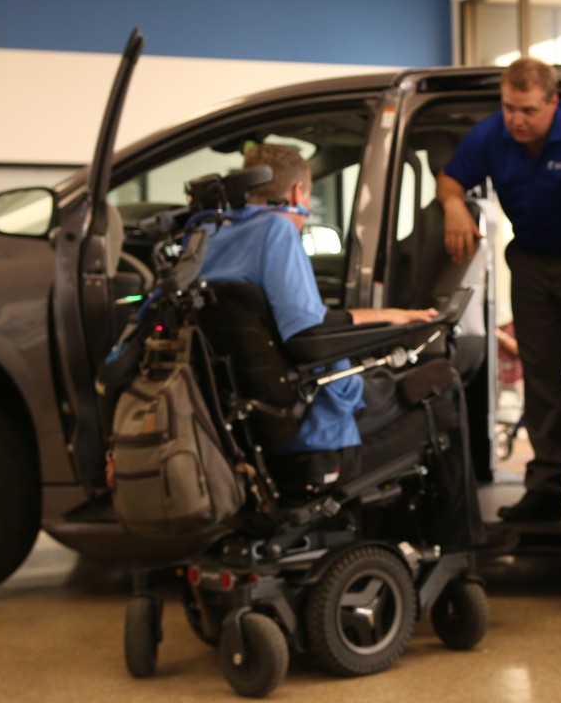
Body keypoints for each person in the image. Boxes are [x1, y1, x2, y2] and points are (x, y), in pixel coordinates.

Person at [200, 143, 488, 548]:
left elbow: (294, 323)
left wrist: (392, 316)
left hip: (251, 416)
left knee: (389, 373)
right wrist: (390, 336)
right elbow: (307, 338)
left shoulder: (212, 236)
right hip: (312, 417)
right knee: (442, 382)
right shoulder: (276, 231)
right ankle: (460, 541)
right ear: (300, 193)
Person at [438, 57, 561, 522]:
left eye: (528, 110)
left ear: (553, 101)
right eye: (510, 107)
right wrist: (455, 205)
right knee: (541, 373)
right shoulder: (494, 133)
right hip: (531, 262)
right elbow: (451, 178)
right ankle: (546, 484)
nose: (517, 120)